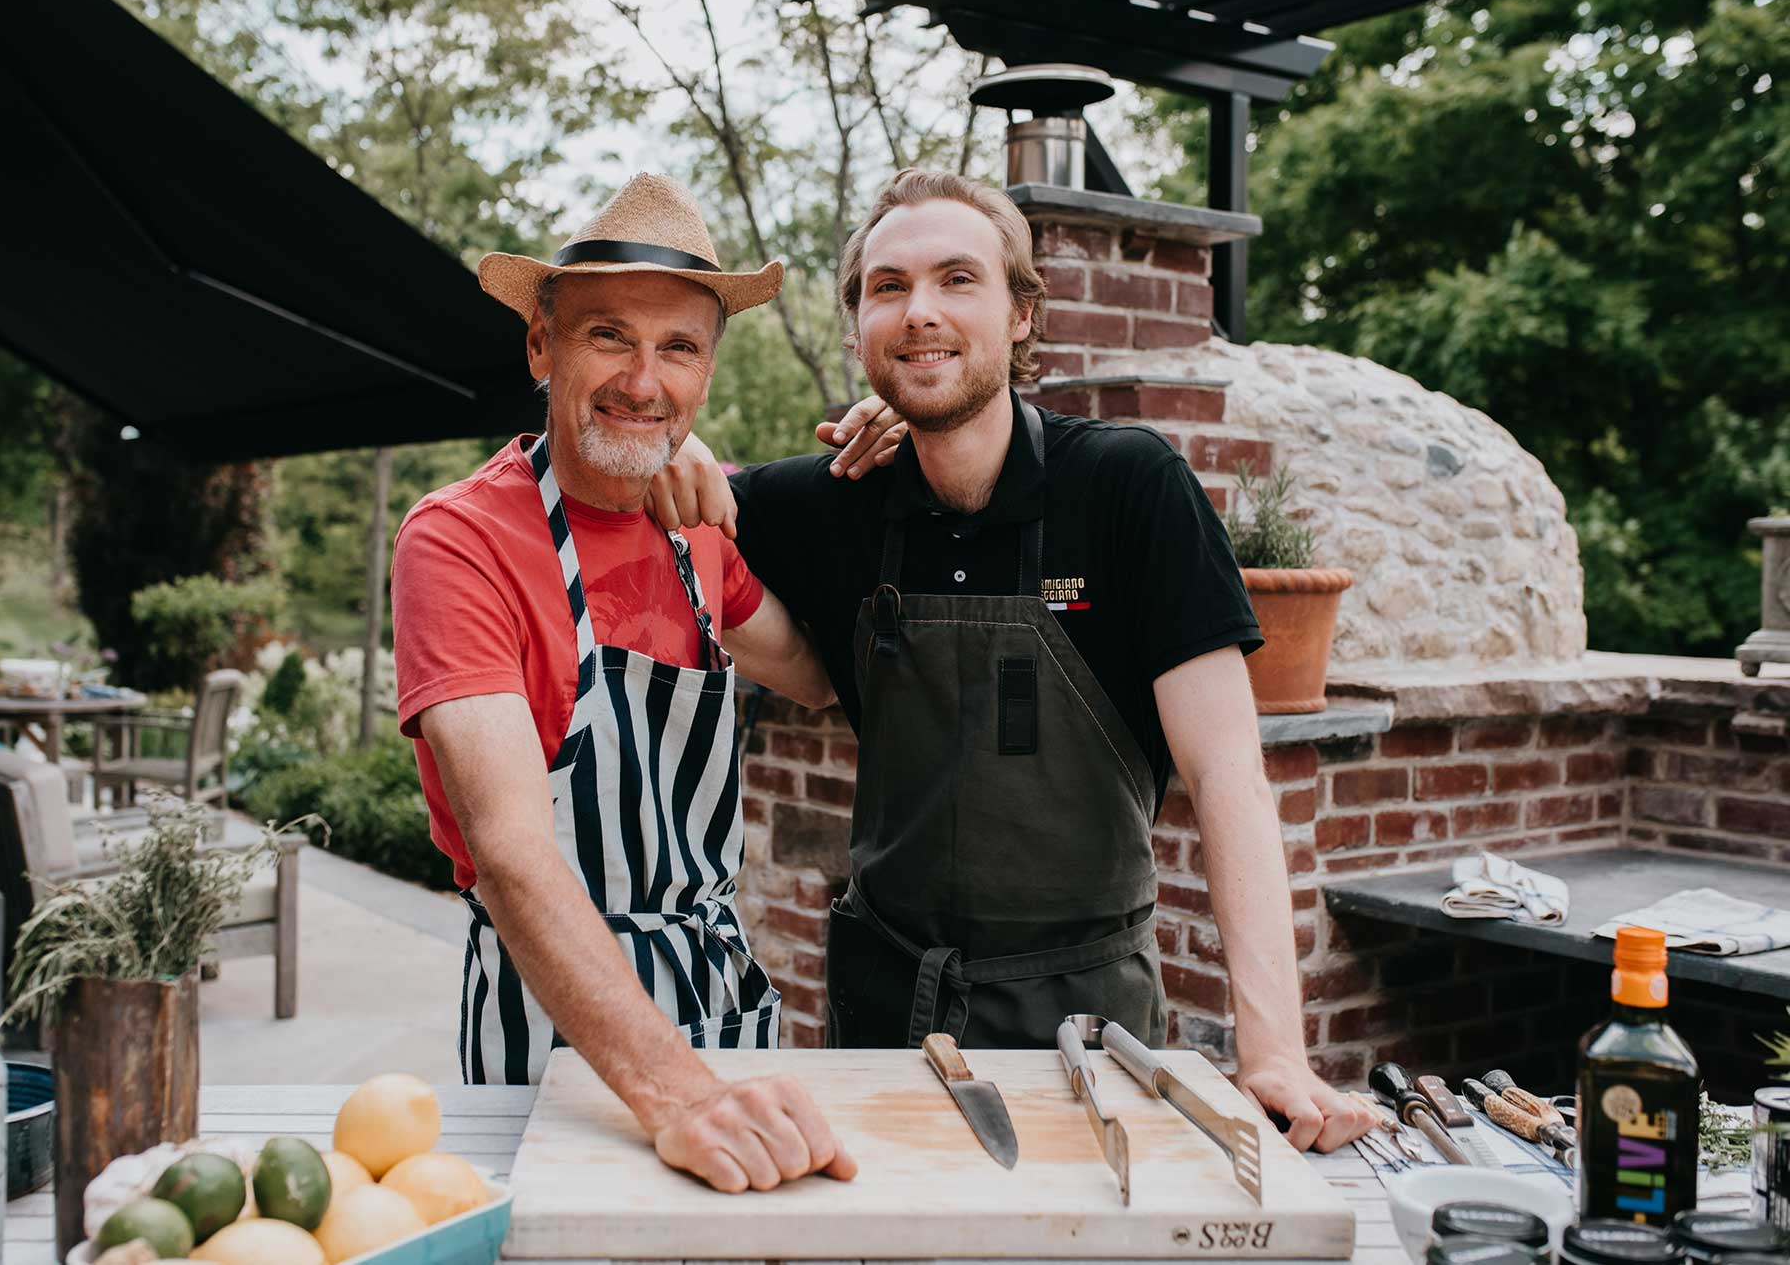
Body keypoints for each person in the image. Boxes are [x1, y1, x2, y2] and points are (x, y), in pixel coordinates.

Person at [651, 168, 1375, 1154]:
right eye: (887, 287)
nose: (919, 313)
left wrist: (1274, 1051)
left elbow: (1228, 781)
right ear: (858, 322)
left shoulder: (1127, 488)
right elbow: (641, 505)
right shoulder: (822, 505)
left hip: (1084, 1023)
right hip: (881, 1011)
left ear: (1021, 314)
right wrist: (672, 456)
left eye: (957, 280)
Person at [391, 173, 856, 1193]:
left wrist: (884, 459)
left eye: (678, 348)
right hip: (548, 1024)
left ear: (706, 374)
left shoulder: (701, 531)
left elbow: (819, 678)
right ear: (539, 346)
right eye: (608, 336)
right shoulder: (457, 540)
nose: (643, 380)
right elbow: (512, 853)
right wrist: (677, 1093)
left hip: (714, 1002)